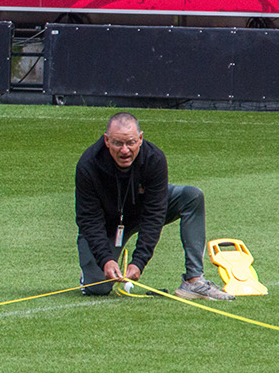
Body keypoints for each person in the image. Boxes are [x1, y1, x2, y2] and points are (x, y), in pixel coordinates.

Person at [75, 112, 235, 300]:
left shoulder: (154, 159)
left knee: (192, 196)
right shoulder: (88, 165)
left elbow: (155, 214)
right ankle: (91, 274)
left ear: (141, 138)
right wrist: (106, 260)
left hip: (142, 212)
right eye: (118, 143)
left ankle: (194, 280)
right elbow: (88, 218)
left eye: (131, 143)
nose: (125, 150)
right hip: (107, 224)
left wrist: (139, 262)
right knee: (98, 288)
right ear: (107, 140)